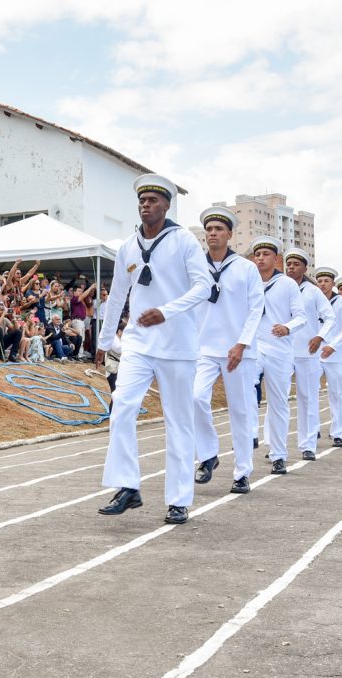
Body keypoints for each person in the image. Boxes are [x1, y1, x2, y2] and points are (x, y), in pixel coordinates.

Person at [95, 173, 212, 525]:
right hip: (138, 345)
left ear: (166, 205)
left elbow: (204, 287)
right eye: (142, 201)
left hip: (177, 346)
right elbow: (117, 297)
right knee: (122, 409)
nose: (146, 205)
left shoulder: (184, 242)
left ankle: (178, 500)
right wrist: (103, 342)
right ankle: (129, 485)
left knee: (178, 423)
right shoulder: (128, 246)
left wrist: (166, 311)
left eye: (153, 201)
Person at [192, 206, 263, 494]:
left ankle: (242, 472)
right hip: (205, 348)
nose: (212, 234)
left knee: (241, 411)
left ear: (230, 234)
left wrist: (242, 343)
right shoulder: (196, 266)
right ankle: (208, 455)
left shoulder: (246, 268)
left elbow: (257, 308)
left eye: (218, 229)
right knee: (195, 397)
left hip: (239, 350)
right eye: (208, 229)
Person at [249, 235, 306, 475]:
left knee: (278, 403)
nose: (261, 259)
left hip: (280, 349)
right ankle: (251, 433)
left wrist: (287, 327)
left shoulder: (287, 284)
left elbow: (301, 316)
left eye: (266, 255)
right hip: (254, 345)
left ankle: (279, 455)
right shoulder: (247, 281)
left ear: (276, 259)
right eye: (257, 255)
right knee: (247, 385)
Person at [284, 247, 334, 461]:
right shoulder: (280, 286)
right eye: (289, 264)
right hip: (283, 351)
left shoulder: (313, 291)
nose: (291, 268)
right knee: (279, 399)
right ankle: (275, 444)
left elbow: (330, 317)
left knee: (308, 399)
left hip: (307, 351)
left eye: (296, 264)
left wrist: (319, 337)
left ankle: (308, 445)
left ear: (305, 268)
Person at [315, 267, 342, 448]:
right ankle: (312, 428)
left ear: (333, 284)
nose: (322, 284)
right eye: (320, 281)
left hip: (336, 354)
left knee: (337, 393)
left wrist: (332, 346)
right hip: (315, 353)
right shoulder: (313, 299)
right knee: (309, 391)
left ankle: (338, 432)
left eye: (326, 281)